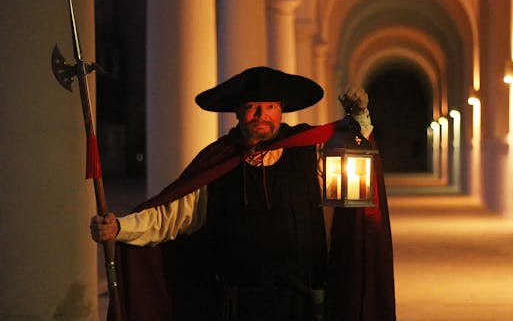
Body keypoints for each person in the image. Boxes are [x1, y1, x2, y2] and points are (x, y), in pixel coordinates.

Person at [90, 66, 395, 321]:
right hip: (235, 307)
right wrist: (120, 227)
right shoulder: (218, 161)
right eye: (252, 106)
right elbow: (169, 217)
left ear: (281, 110)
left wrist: (361, 120)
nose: (261, 114)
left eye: (270, 106)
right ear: (238, 111)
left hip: (301, 304)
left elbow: (354, 150)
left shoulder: (309, 151)